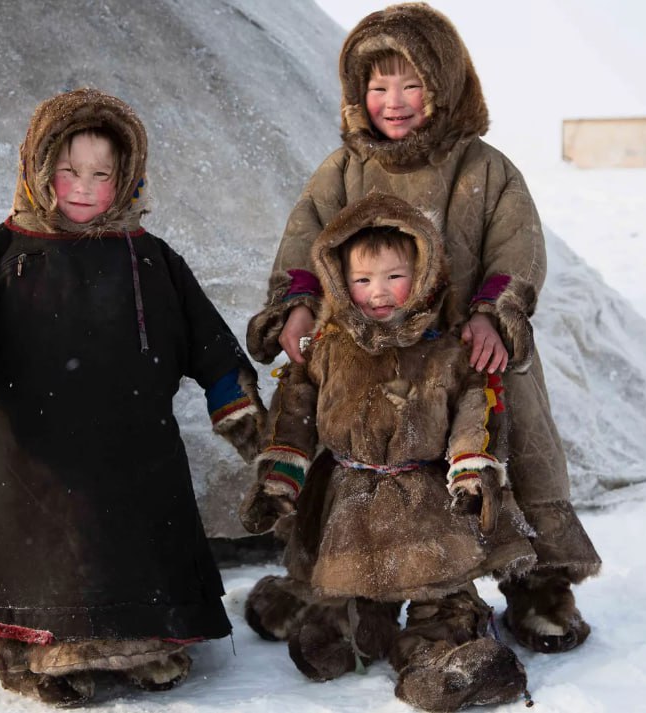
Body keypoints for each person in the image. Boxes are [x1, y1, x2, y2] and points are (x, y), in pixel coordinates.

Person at [243, 2, 600, 662]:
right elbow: (303, 243)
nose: (394, 101)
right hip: (375, 356)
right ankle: (323, 582)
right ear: (357, 94)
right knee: (360, 469)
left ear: (445, 83)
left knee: (512, 456)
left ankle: (540, 588)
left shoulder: (484, 170)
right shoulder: (342, 171)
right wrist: (295, 305)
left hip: (475, 349)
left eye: (410, 83)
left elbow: (517, 250)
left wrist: (496, 315)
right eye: (377, 87)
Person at [0, 88, 264, 705]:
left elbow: (206, 338)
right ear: (38, 168)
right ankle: (41, 653)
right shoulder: (1, 251)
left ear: (126, 178)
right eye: (68, 170)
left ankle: (143, 648)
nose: (81, 186)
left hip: (137, 449)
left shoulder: (150, 257)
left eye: (101, 174)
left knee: (140, 549)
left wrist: (236, 404)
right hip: (38, 455)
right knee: (48, 559)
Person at [241, 193, 537, 710]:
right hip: (350, 502)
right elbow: (295, 414)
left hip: (426, 502)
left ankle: (439, 663)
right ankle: (352, 636)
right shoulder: (326, 348)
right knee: (352, 590)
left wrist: (471, 470)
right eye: (362, 280)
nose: (378, 292)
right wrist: (278, 481)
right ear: (338, 281)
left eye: (393, 276)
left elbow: (476, 408)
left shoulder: (448, 350)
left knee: (439, 595)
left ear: (423, 274)